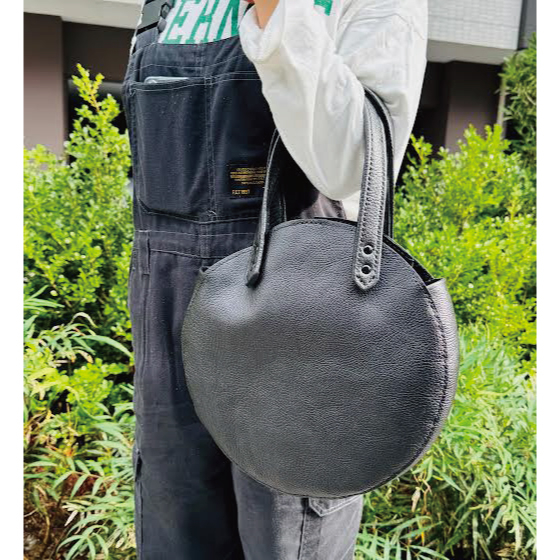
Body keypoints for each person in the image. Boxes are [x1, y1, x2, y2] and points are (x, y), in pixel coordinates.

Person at [122, 1, 427, 558]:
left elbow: (349, 170)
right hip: (164, 303)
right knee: (172, 526)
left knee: (288, 534)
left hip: (299, 311)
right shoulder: (164, 6)